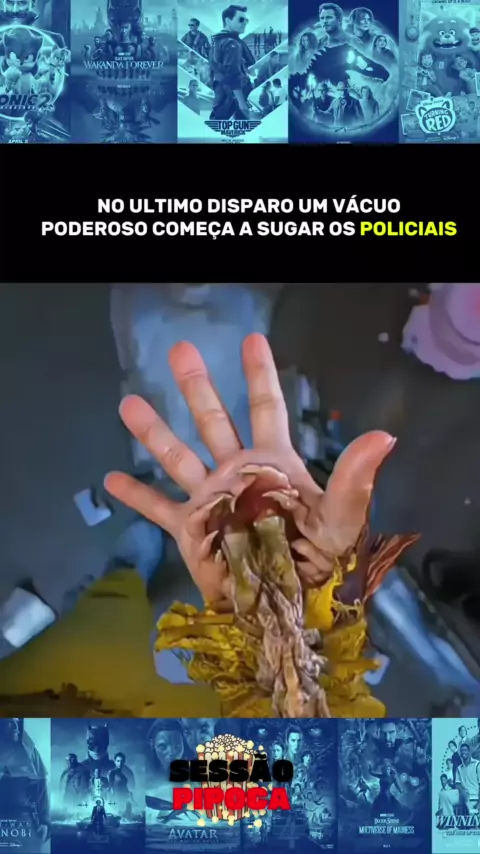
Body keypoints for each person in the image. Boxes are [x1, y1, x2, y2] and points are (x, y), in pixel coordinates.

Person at [0, 334, 417, 719]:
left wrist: (285, 629)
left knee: (100, 614)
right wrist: (324, 612)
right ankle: (121, 579)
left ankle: (122, 576)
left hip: (37, 693)